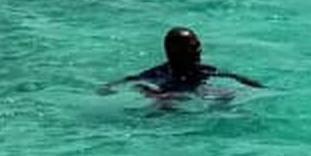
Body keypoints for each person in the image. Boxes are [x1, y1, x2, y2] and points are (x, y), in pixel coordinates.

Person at [98, 27, 264, 97]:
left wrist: (256, 86)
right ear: (175, 52)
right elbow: (131, 80)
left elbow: (231, 76)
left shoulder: (203, 70)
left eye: (198, 46)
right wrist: (108, 88)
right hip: (170, 93)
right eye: (192, 47)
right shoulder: (159, 73)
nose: (199, 50)